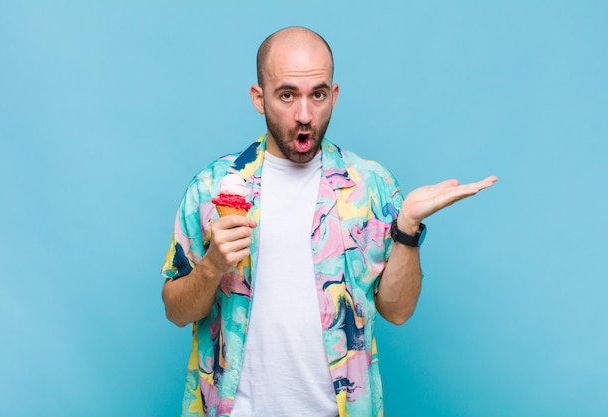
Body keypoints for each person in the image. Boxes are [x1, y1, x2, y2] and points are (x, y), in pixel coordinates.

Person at [160, 26, 497, 417]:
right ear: (259, 98)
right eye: (287, 95)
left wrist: (406, 227)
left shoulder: (372, 185)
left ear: (333, 96)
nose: (304, 115)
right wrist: (213, 266)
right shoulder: (212, 187)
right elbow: (176, 311)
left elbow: (398, 310)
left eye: (317, 95)